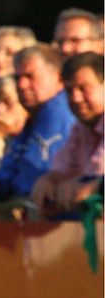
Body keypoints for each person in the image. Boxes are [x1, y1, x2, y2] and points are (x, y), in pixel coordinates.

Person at [0, 44, 75, 203]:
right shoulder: (35, 115)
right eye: (17, 78)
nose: (21, 85)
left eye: (30, 76)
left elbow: (35, 174)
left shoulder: (60, 112)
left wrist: (6, 186)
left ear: (58, 78)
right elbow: (17, 165)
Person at [30, 52, 104, 217]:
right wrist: (49, 180)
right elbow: (63, 167)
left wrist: (92, 186)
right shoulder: (81, 128)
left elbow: (97, 173)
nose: (76, 98)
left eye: (84, 88)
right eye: (69, 91)